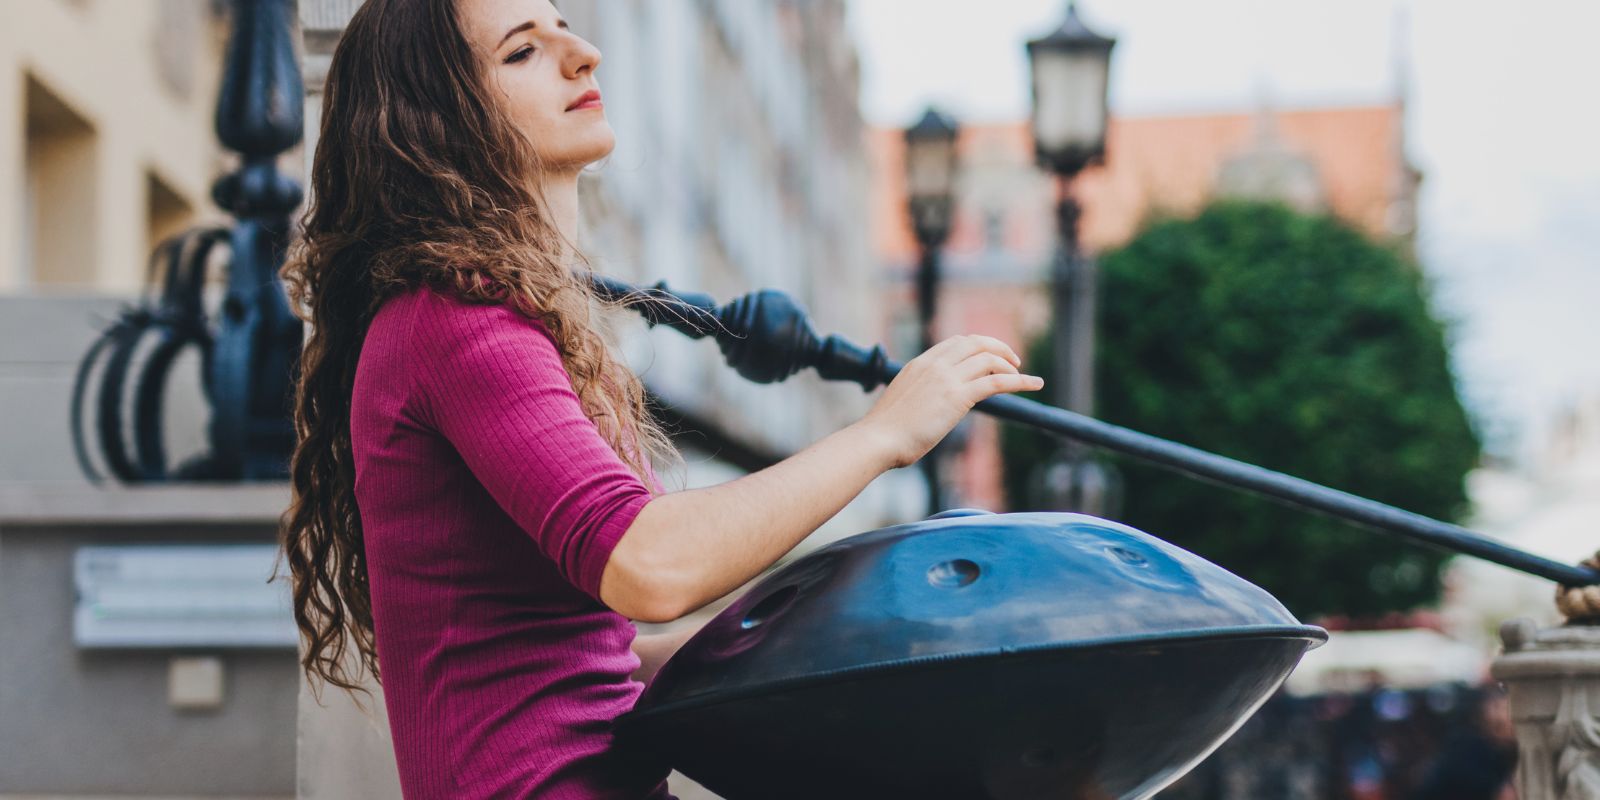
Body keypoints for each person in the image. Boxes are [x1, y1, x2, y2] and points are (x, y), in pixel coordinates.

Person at [276, 0, 1043, 797]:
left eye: (565, 27)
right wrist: (884, 433)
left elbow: (578, 664)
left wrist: (839, 638)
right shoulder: (457, 323)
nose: (584, 55)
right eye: (522, 53)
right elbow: (649, 564)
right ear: (438, 116)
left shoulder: (492, 319)